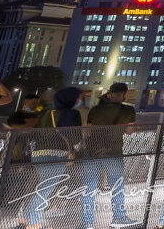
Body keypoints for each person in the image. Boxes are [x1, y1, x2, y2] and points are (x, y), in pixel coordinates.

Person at [24, 87, 84, 229]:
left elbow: (36, 133)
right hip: (56, 155)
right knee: (45, 190)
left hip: (38, 154)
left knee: (41, 188)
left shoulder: (47, 113)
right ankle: (34, 224)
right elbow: (76, 137)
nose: (80, 101)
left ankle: (26, 218)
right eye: (78, 98)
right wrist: (73, 149)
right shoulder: (73, 114)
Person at [84, 82, 139, 228]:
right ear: (124, 94)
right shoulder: (128, 110)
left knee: (88, 188)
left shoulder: (95, 109)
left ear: (110, 94)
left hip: (92, 152)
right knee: (117, 186)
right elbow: (129, 131)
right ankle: (118, 218)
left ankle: (87, 223)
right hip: (113, 151)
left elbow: (88, 130)